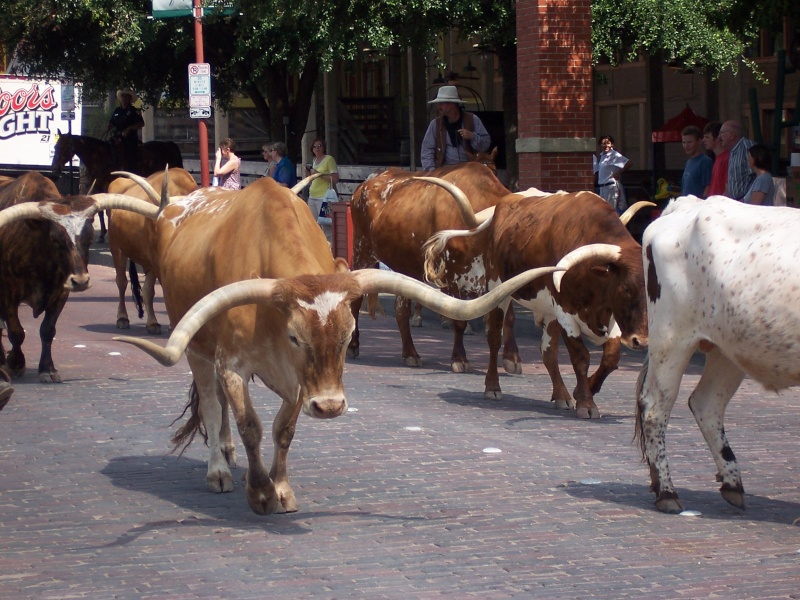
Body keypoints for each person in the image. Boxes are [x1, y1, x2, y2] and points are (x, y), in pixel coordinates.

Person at [420, 85, 491, 170]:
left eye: (441, 103)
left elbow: (486, 144)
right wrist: (432, 172)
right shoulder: (435, 124)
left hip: (470, 170)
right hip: (445, 171)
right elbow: (427, 150)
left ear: (451, 104)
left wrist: (472, 136)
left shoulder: (472, 119)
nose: (438, 107)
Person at [107, 88, 144, 173]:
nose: (124, 98)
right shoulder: (117, 110)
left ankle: (131, 170)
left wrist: (129, 128)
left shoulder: (134, 111)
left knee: (130, 153)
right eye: (123, 96)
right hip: (117, 137)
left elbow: (141, 123)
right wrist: (109, 126)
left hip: (129, 139)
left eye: (126, 97)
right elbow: (112, 121)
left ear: (130, 99)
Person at [306, 137, 339, 226]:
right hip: (312, 197)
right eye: (314, 146)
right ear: (312, 149)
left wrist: (319, 174)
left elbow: (335, 179)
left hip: (325, 198)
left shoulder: (329, 159)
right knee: (313, 226)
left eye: (319, 146)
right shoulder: (314, 160)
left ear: (323, 147)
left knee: (326, 226)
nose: (317, 148)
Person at [719, 120, 755, 200]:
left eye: (722, 133)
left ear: (731, 135)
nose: (719, 136)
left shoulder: (747, 148)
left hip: (745, 205)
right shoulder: (732, 151)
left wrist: (745, 200)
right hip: (734, 203)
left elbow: (756, 178)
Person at [593, 135, 630, 213]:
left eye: (608, 143)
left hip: (611, 187)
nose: (606, 145)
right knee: (603, 210)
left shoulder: (614, 155)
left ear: (612, 144)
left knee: (609, 211)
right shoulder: (602, 156)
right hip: (602, 187)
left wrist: (618, 173)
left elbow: (628, 163)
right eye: (603, 143)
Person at [680, 125, 712, 198]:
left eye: (689, 142)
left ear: (700, 141)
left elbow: (708, 188)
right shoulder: (688, 162)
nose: (686, 146)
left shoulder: (705, 162)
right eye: (684, 143)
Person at [703, 121, 728, 197]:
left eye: (707, 137)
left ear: (717, 138)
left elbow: (728, 188)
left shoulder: (727, 158)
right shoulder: (718, 158)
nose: (703, 140)